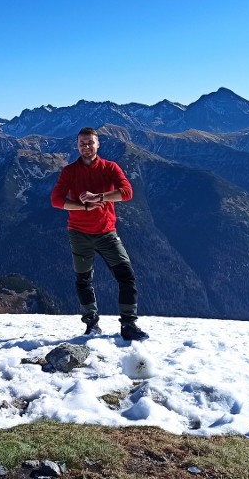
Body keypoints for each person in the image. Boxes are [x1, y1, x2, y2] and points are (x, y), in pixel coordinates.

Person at [50, 127, 148, 340]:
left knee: (126, 276)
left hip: (106, 232)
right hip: (78, 233)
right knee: (84, 280)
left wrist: (99, 197)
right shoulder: (70, 171)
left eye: (90, 143)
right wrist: (84, 207)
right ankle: (91, 324)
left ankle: (128, 324)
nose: (86, 146)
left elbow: (127, 192)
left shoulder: (110, 168)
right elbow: (56, 200)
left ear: (98, 144)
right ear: (77, 145)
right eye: (82, 143)